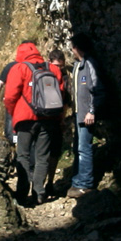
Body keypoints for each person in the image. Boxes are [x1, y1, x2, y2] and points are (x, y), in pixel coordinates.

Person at [4, 41, 65, 206]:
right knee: (42, 156)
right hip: (49, 119)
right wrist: (58, 118)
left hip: (25, 120)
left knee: (23, 155)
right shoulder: (53, 69)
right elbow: (61, 93)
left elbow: (10, 96)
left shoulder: (19, 68)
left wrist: (13, 113)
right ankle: (39, 192)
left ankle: (22, 193)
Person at [66, 33, 107, 199]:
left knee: (84, 148)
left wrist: (92, 111)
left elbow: (98, 89)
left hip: (87, 115)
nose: (71, 50)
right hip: (79, 114)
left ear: (76, 47)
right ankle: (78, 180)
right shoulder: (78, 66)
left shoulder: (89, 64)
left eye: (72, 47)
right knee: (78, 148)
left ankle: (85, 184)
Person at [46, 48, 70, 196]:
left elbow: (66, 101)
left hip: (55, 120)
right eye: (57, 66)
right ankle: (41, 185)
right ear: (49, 63)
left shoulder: (65, 77)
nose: (59, 69)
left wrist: (62, 120)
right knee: (45, 153)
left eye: (61, 66)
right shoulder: (44, 75)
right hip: (46, 120)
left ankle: (48, 183)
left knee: (54, 153)